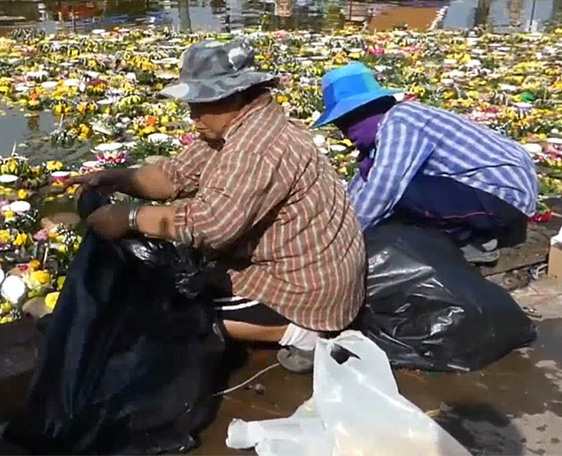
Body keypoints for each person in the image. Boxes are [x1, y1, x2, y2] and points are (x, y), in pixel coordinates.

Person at [72, 39, 366, 373]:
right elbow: (172, 177)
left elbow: (209, 226)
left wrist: (130, 216)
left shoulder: (257, 147)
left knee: (170, 314)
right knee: (173, 286)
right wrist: (113, 178)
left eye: (201, 103)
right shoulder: (235, 128)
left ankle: (302, 332)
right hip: (295, 269)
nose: (192, 115)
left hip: (309, 289)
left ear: (237, 96)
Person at [313, 62, 539, 264]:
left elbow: (382, 189)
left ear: (365, 112)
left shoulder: (401, 122)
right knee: (382, 187)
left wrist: (339, 244)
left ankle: (476, 241)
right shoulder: (383, 134)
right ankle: (460, 234)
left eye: (346, 123)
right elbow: (361, 187)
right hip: (484, 193)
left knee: (400, 193)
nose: (345, 134)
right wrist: (332, 226)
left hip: (504, 198)